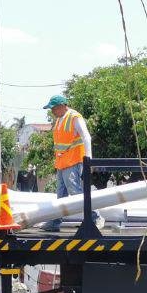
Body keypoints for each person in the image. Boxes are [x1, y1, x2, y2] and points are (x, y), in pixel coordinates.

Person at [43, 95, 102, 231]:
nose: (52, 111)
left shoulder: (74, 117)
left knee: (77, 192)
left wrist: (89, 160)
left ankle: (96, 217)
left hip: (74, 161)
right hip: (62, 163)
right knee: (61, 195)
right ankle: (55, 222)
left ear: (62, 106)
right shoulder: (59, 120)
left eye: (54, 108)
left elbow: (86, 136)